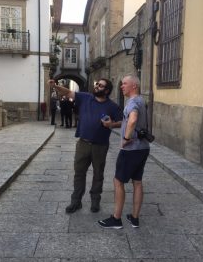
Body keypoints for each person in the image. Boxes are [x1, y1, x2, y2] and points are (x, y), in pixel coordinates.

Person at [48, 78, 122, 213]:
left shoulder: (112, 106)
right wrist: (56, 86)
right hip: (83, 143)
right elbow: (68, 92)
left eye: (100, 86)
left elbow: (122, 121)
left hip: (100, 145)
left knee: (98, 174)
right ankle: (76, 201)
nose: (97, 86)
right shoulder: (86, 97)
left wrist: (111, 124)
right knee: (79, 173)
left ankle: (95, 201)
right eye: (97, 84)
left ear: (106, 91)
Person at [98, 74, 150, 229]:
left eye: (124, 83)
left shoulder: (133, 102)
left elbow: (132, 119)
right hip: (143, 148)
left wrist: (126, 138)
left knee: (118, 181)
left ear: (134, 85)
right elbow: (128, 120)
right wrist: (112, 125)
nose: (121, 86)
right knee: (137, 182)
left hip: (131, 150)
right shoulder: (141, 100)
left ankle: (116, 219)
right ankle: (134, 218)